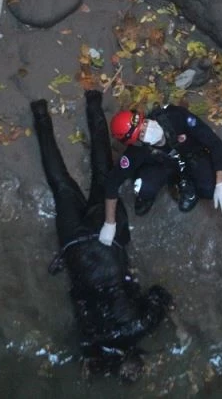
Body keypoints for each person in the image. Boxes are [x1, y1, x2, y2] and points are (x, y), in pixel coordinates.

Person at [31, 90, 173, 380]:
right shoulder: (91, 342)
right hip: (76, 252)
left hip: (109, 249)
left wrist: (167, 313)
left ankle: (94, 104)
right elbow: (80, 307)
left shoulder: (140, 326)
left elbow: (160, 294)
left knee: (103, 174)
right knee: (60, 185)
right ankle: (41, 116)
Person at [98, 103, 222, 246]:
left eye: (144, 123)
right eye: (142, 133)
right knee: (143, 187)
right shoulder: (136, 153)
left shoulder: (175, 116)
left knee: (209, 189)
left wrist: (221, 182)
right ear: (137, 142)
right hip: (163, 165)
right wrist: (110, 223)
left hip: (191, 155)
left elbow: (213, 142)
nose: (148, 128)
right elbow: (113, 182)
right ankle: (170, 183)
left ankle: (188, 181)